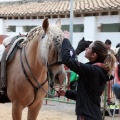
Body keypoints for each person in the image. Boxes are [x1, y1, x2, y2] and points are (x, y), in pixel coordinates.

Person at [57, 31, 115, 120]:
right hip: (91, 115)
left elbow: (67, 60)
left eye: (89, 47)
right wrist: (66, 93)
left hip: (87, 116)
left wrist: (66, 39)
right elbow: (84, 95)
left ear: (93, 55)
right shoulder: (98, 70)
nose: (86, 48)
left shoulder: (92, 70)